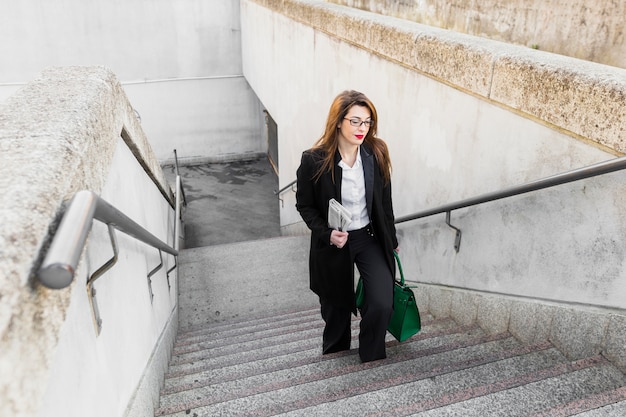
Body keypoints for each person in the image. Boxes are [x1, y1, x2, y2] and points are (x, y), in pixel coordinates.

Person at [295, 90, 399, 363]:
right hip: (333, 244)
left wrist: (392, 238)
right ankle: (336, 363)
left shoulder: (375, 152)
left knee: (381, 303)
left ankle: (372, 356)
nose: (362, 128)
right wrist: (327, 233)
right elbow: (304, 206)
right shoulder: (313, 160)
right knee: (336, 313)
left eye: (367, 122)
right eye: (355, 121)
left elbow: (385, 201)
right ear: (339, 121)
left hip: (369, 237)